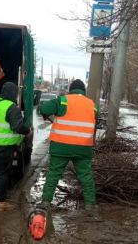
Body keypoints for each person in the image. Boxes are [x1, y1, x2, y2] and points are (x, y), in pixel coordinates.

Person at [39, 79, 98, 211]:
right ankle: (90, 205)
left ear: (70, 89)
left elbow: (43, 108)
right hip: (83, 147)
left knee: (54, 173)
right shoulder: (92, 105)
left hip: (61, 145)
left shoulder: (63, 100)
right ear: (84, 91)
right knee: (86, 176)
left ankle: (46, 202)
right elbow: (94, 124)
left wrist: (46, 114)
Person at [0, 81, 32, 212]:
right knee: (2, 174)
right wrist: (28, 131)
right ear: (14, 93)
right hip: (5, 146)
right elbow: (18, 127)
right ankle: (1, 203)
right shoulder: (12, 108)